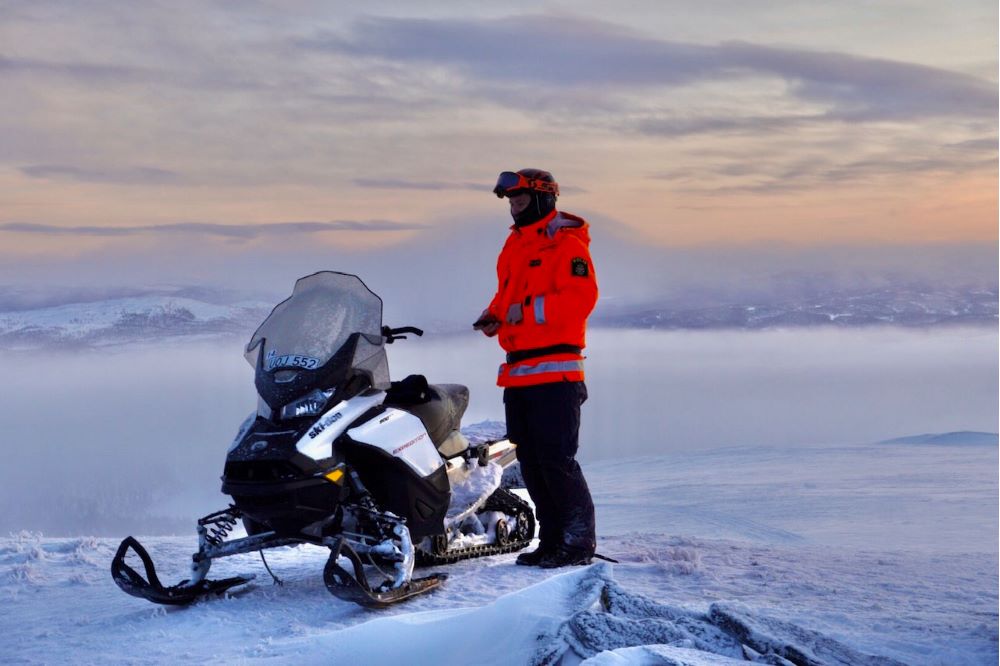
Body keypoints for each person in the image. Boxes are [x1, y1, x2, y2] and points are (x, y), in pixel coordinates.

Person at [474, 168, 598, 568]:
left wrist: (519, 312)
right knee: (531, 461)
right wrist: (494, 315)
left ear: (544, 198)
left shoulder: (567, 244)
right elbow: (507, 295)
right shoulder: (515, 245)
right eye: (511, 201)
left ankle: (576, 543)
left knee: (556, 460)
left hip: (556, 372)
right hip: (521, 370)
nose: (513, 208)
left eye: (520, 200)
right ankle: (551, 541)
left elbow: (580, 299)